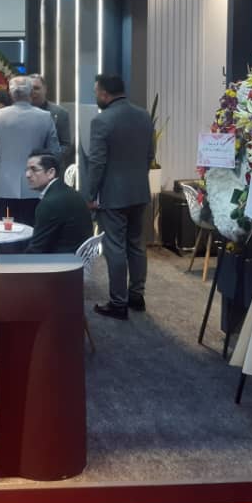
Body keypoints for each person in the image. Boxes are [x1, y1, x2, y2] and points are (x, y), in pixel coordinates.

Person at [86, 74, 154, 320]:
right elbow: (150, 155)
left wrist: (89, 194)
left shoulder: (101, 120)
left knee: (114, 248)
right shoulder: (144, 116)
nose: (96, 96)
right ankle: (137, 296)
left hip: (113, 195)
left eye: (96, 92)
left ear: (105, 94)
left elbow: (97, 162)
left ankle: (118, 303)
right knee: (136, 245)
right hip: (140, 191)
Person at [0, 76, 60, 226]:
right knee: (32, 228)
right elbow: (54, 152)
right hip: (37, 184)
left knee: (7, 230)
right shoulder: (45, 117)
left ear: (11, 94)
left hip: (5, 184)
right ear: (31, 92)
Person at [24, 151, 92, 254]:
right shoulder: (70, 192)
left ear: (51, 173)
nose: (27, 175)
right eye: (27, 170)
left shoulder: (49, 203)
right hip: (78, 258)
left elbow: (36, 250)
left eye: (34, 169)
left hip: (61, 260)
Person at [31, 74, 77, 170]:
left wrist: (49, 160)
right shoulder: (19, 114)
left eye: (36, 88)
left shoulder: (60, 113)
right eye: (30, 89)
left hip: (51, 168)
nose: (33, 92)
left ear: (45, 89)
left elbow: (65, 145)